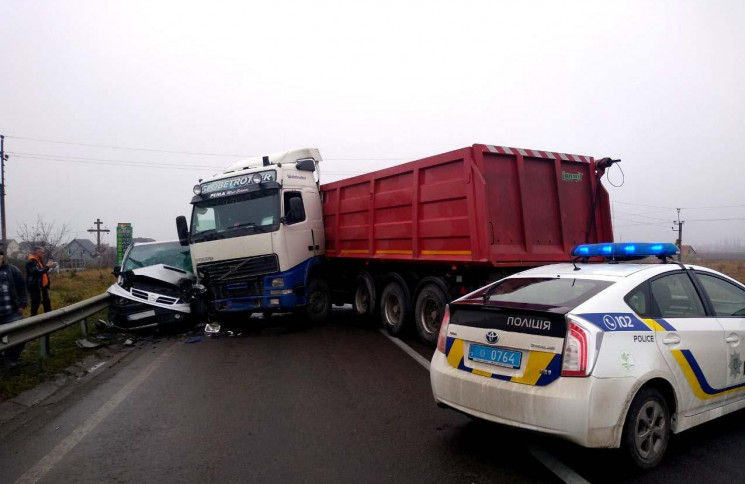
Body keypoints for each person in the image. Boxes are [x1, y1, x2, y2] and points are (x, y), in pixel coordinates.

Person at [0, 250, 28, 367]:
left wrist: (22, 304)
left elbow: (22, 286)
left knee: (21, 335)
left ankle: (11, 358)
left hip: (12, 312)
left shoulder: (12, 270)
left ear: (1, 258)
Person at [26, 246, 54, 316]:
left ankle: (49, 320)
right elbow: (37, 272)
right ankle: (33, 321)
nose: (43, 254)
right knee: (36, 304)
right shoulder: (31, 261)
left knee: (47, 303)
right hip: (35, 287)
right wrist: (47, 267)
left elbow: (43, 273)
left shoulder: (39, 261)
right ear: (36, 252)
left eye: (43, 253)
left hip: (43, 287)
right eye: (41, 252)